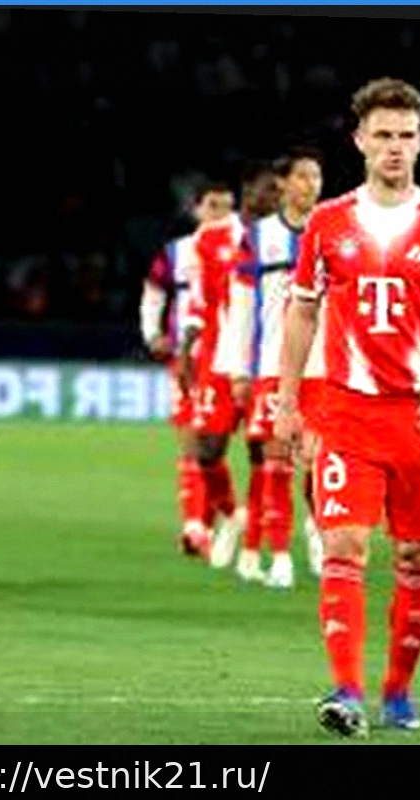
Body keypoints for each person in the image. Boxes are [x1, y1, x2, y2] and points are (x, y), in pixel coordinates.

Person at [275, 78, 420, 736]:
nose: (395, 147)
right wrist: (288, 401)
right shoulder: (328, 222)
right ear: (360, 141)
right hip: (348, 412)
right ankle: (346, 691)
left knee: (418, 558)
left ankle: (398, 691)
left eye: (406, 135)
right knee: (343, 543)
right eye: (383, 135)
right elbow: (302, 313)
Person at [209, 147, 324, 588]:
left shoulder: (333, 232)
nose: (311, 184)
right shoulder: (259, 237)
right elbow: (240, 307)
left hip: (324, 368)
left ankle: (316, 531)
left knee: (318, 464)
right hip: (274, 366)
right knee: (274, 463)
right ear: (283, 183)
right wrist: (238, 369)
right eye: (303, 176)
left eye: (317, 176)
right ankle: (279, 557)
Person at [176, 162, 282, 559]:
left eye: (277, 190)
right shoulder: (211, 237)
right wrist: (187, 349)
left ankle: (256, 538)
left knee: (261, 454)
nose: (271, 197)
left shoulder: (290, 239)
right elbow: (198, 302)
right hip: (219, 359)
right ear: (247, 192)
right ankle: (234, 515)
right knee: (207, 451)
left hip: (266, 362)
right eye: (265, 189)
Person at [139, 182, 237, 550]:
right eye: (213, 205)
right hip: (186, 359)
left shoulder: (242, 248)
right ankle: (197, 526)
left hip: (228, 360)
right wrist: (152, 335)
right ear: (196, 210)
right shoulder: (177, 252)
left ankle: (226, 517)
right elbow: (153, 293)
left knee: (213, 450)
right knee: (191, 444)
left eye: (227, 206)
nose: (220, 213)